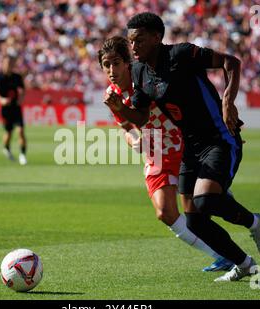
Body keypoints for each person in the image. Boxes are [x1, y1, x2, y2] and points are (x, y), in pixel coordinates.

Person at [108, 12, 260, 282]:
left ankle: (255, 223)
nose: (134, 47)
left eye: (138, 40)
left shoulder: (182, 55)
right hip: (191, 149)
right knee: (195, 220)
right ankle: (244, 263)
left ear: (157, 37)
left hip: (221, 138)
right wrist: (121, 110)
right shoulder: (139, 73)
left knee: (205, 200)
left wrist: (228, 101)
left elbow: (230, 62)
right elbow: (140, 116)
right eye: (131, 41)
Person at [99, 36, 234, 272]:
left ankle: (236, 220)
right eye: (106, 64)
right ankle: (220, 255)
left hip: (182, 144)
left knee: (203, 205)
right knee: (165, 212)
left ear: (127, 63)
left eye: (117, 63)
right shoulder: (112, 93)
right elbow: (126, 127)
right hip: (156, 152)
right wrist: (133, 140)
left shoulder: (145, 76)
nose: (112, 70)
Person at [0, 54, 27, 166]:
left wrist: (21, 99)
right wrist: (0, 99)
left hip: (16, 107)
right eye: (6, 63)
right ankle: (6, 148)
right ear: (3, 64)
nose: (8, 66)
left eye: (10, 63)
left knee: (21, 131)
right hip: (6, 109)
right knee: (9, 133)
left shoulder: (17, 77)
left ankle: (22, 155)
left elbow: (23, 90)